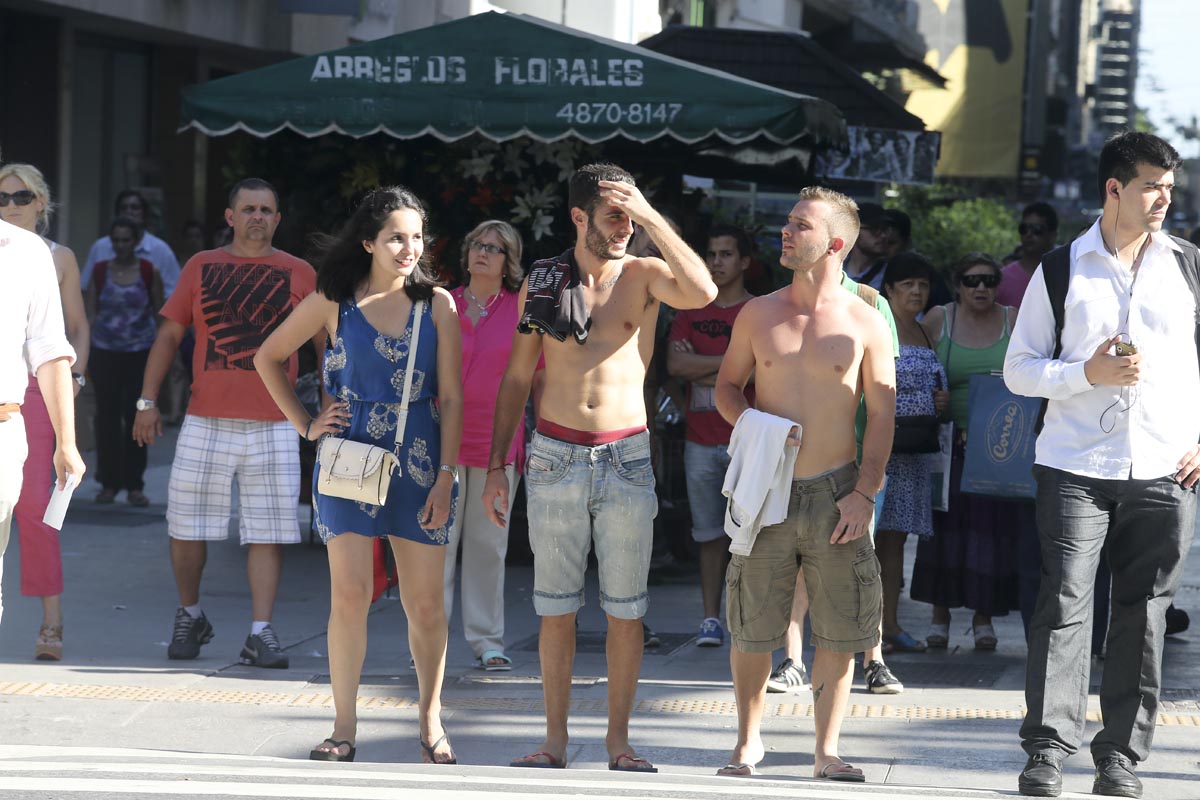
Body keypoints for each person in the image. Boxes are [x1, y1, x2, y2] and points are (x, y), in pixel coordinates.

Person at [482, 162, 716, 772]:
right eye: (613, 215)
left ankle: (619, 740)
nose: (623, 227)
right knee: (554, 607)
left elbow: (704, 292)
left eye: (629, 215)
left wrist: (649, 214)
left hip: (626, 457)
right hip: (555, 454)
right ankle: (554, 740)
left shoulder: (643, 273)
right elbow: (515, 375)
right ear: (579, 216)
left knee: (625, 609)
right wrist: (495, 466)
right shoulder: (546, 276)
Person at [1006, 131, 1196, 799]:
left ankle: (1119, 757)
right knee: (1063, 607)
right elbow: (1018, 369)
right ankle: (1048, 751)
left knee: (1144, 615)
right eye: (1150, 185)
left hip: (1165, 468)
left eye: (1169, 186)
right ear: (1113, 189)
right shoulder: (1061, 268)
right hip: (1074, 465)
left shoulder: (1188, 265)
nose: (1163, 198)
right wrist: (1085, 372)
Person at [256, 185, 461, 764]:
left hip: (419, 459)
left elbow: (453, 395)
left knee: (425, 604)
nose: (409, 248)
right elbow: (267, 357)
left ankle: (430, 717)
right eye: (397, 236)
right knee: (349, 594)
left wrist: (447, 475)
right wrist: (305, 423)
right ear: (369, 241)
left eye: (418, 237)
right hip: (345, 458)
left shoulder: (437, 304)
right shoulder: (332, 300)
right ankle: (343, 727)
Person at [714, 186, 893, 781]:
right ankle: (747, 741)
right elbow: (725, 389)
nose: (785, 232)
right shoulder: (759, 313)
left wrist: (865, 492)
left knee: (840, 625)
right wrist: (756, 428)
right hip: (766, 486)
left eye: (800, 225)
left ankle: (827, 750)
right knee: (751, 621)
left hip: (837, 489)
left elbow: (884, 413)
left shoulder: (866, 320)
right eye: (787, 223)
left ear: (835, 243)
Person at [132, 178, 318, 669]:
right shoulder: (200, 266)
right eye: (248, 208)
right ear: (230, 216)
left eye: (267, 209)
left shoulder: (300, 272)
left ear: (278, 220)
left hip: (277, 423)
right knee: (185, 527)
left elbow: (329, 343)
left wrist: (333, 406)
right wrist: (146, 401)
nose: (258, 216)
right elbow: (169, 334)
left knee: (269, 531)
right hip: (204, 419)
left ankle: (261, 632)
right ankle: (190, 614)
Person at [0, 162, 88, 660]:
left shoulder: (51, 256)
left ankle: (51, 622)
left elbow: (70, 331)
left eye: (21, 196)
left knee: (36, 508)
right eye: (3, 197)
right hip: (15, 385)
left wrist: (74, 385)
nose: (11, 205)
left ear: (41, 203)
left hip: (29, 395)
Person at [911, 253, 1020, 650]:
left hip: (997, 448)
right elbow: (912, 365)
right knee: (943, 529)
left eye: (990, 281)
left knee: (990, 532)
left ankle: (983, 617)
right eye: (972, 281)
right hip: (947, 445)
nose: (981, 289)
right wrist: (929, 398)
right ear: (957, 284)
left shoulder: (1013, 319)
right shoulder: (940, 318)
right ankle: (939, 615)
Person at [444, 219, 531, 672]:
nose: (484, 252)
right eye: (478, 244)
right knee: (436, 546)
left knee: (488, 547)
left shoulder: (521, 309)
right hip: (441, 443)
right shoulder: (445, 304)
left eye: (495, 248)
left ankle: (487, 641)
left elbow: (536, 377)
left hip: (499, 446)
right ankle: (430, 640)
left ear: (509, 261)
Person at [666, 224, 754, 648]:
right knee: (708, 535)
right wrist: (730, 364)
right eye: (711, 254)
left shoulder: (758, 311)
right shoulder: (688, 310)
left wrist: (702, 361)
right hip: (699, 441)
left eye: (725, 253)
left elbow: (757, 367)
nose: (716, 262)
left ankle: (747, 618)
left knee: (750, 536)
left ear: (745, 262)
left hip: (747, 441)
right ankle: (709, 619)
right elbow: (675, 368)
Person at [876, 254, 949, 654]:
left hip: (915, 451)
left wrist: (940, 399)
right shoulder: (876, 327)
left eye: (922, 285)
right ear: (889, 290)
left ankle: (891, 624)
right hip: (881, 448)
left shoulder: (925, 332)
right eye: (907, 285)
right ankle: (864, 627)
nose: (916, 292)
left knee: (896, 543)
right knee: (866, 541)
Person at [87, 216, 163, 507]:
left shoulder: (148, 270)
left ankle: (134, 484)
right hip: (104, 351)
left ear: (136, 242)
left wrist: (164, 357)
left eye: (126, 240)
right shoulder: (99, 271)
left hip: (139, 352)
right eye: (116, 240)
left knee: (137, 416)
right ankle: (107, 482)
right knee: (106, 418)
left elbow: (158, 312)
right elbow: (91, 313)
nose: (120, 245)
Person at [82, 189, 181, 296]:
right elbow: (85, 287)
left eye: (135, 208)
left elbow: (174, 293)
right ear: (117, 214)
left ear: (144, 214)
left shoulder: (160, 249)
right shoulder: (100, 247)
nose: (129, 212)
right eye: (124, 208)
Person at [997, 202, 1059, 310]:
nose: (1028, 234)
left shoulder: (1068, 275)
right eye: (1024, 229)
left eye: (1037, 229)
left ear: (1053, 236)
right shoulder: (1002, 279)